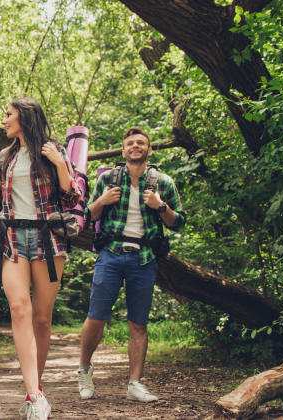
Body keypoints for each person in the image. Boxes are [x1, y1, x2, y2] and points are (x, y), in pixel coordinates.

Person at [0, 98, 81, 420]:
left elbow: (72, 196)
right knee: (19, 308)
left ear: (25, 118)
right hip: (13, 239)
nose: (3, 120)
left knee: (42, 319)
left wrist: (60, 164)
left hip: (48, 242)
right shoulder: (6, 157)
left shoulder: (52, 150)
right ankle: (33, 394)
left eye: (8, 115)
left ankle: (37, 387)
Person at [77, 127, 186, 403]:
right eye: (130, 143)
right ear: (123, 150)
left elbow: (179, 223)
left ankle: (135, 383)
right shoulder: (107, 179)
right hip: (111, 255)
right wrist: (101, 200)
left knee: (138, 323)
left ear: (149, 150)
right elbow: (85, 217)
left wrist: (160, 206)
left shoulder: (163, 182)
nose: (135, 146)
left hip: (144, 259)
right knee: (96, 317)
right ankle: (84, 369)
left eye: (141, 143)